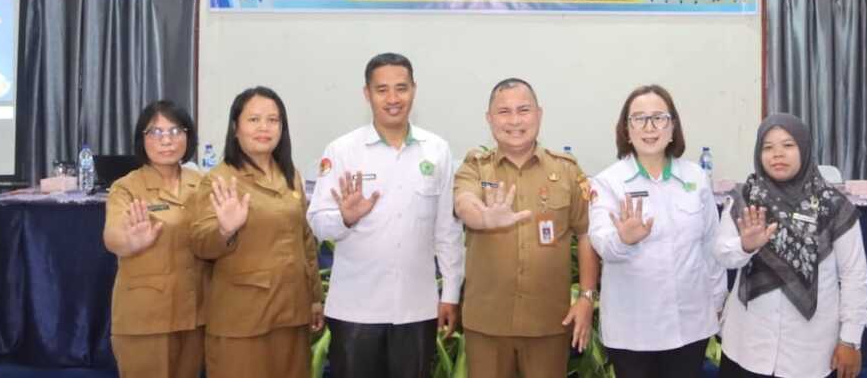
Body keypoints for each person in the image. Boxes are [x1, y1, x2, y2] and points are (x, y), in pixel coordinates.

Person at [307, 53, 464, 378]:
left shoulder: (437, 150)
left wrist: (450, 293)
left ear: (414, 90)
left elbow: (447, 231)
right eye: (382, 90)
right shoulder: (342, 150)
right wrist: (345, 217)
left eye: (401, 88)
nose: (393, 99)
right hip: (355, 309)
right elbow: (319, 223)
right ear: (367, 94)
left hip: (416, 307)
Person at [453, 78, 599, 378]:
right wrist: (483, 218)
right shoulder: (475, 167)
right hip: (487, 324)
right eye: (504, 112)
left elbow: (586, 233)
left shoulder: (567, 170)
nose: (515, 120)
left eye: (523, 110)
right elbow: (464, 203)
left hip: (548, 323)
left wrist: (586, 297)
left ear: (539, 114)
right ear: (489, 119)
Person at [715, 113, 867, 378]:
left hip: (809, 352)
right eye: (768, 147)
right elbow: (722, 256)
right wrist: (745, 245)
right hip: (747, 346)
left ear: (805, 149)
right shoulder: (743, 199)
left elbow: (854, 276)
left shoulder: (834, 208)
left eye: (788, 145)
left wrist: (850, 339)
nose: (777, 154)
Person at [588, 85, 725, 378]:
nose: (649, 127)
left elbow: (710, 247)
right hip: (633, 331)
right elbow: (602, 243)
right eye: (638, 119)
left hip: (690, 325)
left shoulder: (696, 178)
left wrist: (716, 301)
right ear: (626, 130)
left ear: (673, 127)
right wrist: (623, 239)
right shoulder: (608, 182)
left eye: (659, 118)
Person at [191, 86, 324, 378]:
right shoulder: (220, 179)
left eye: (273, 120)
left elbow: (305, 240)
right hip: (242, 319)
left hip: (292, 313)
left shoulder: (291, 176)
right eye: (254, 120)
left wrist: (314, 297)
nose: (264, 127)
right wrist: (225, 229)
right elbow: (200, 242)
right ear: (235, 128)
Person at [103, 100, 206, 378]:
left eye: (175, 131)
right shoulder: (127, 187)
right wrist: (130, 242)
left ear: (188, 136)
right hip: (145, 317)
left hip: (194, 313)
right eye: (155, 133)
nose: (167, 141)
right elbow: (113, 237)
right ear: (142, 139)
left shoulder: (201, 183)